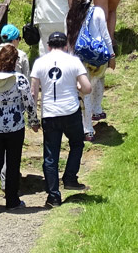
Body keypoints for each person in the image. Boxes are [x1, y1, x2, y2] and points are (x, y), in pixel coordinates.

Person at [0, 44, 39, 213]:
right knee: (12, 163)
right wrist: (33, 121)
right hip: (15, 126)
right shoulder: (19, 79)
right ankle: (12, 200)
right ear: (14, 61)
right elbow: (29, 103)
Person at [30, 32, 92, 208]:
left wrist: (33, 117)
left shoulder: (40, 62)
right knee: (77, 143)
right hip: (70, 111)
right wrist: (78, 87)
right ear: (66, 45)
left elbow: (33, 93)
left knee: (51, 156)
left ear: (49, 46)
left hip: (49, 113)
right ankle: (70, 177)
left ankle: (53, 196)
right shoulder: (73, 61)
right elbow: (87, 88)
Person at [66, 0, 115, 142]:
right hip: (98, 56)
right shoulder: (98, 12)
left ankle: (87, 129)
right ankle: (96, 109)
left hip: (79, 59)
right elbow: (105, 35)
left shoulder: (70, 15)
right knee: (99, 79)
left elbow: (68, 40)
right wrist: (111, 54)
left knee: (83, 92)